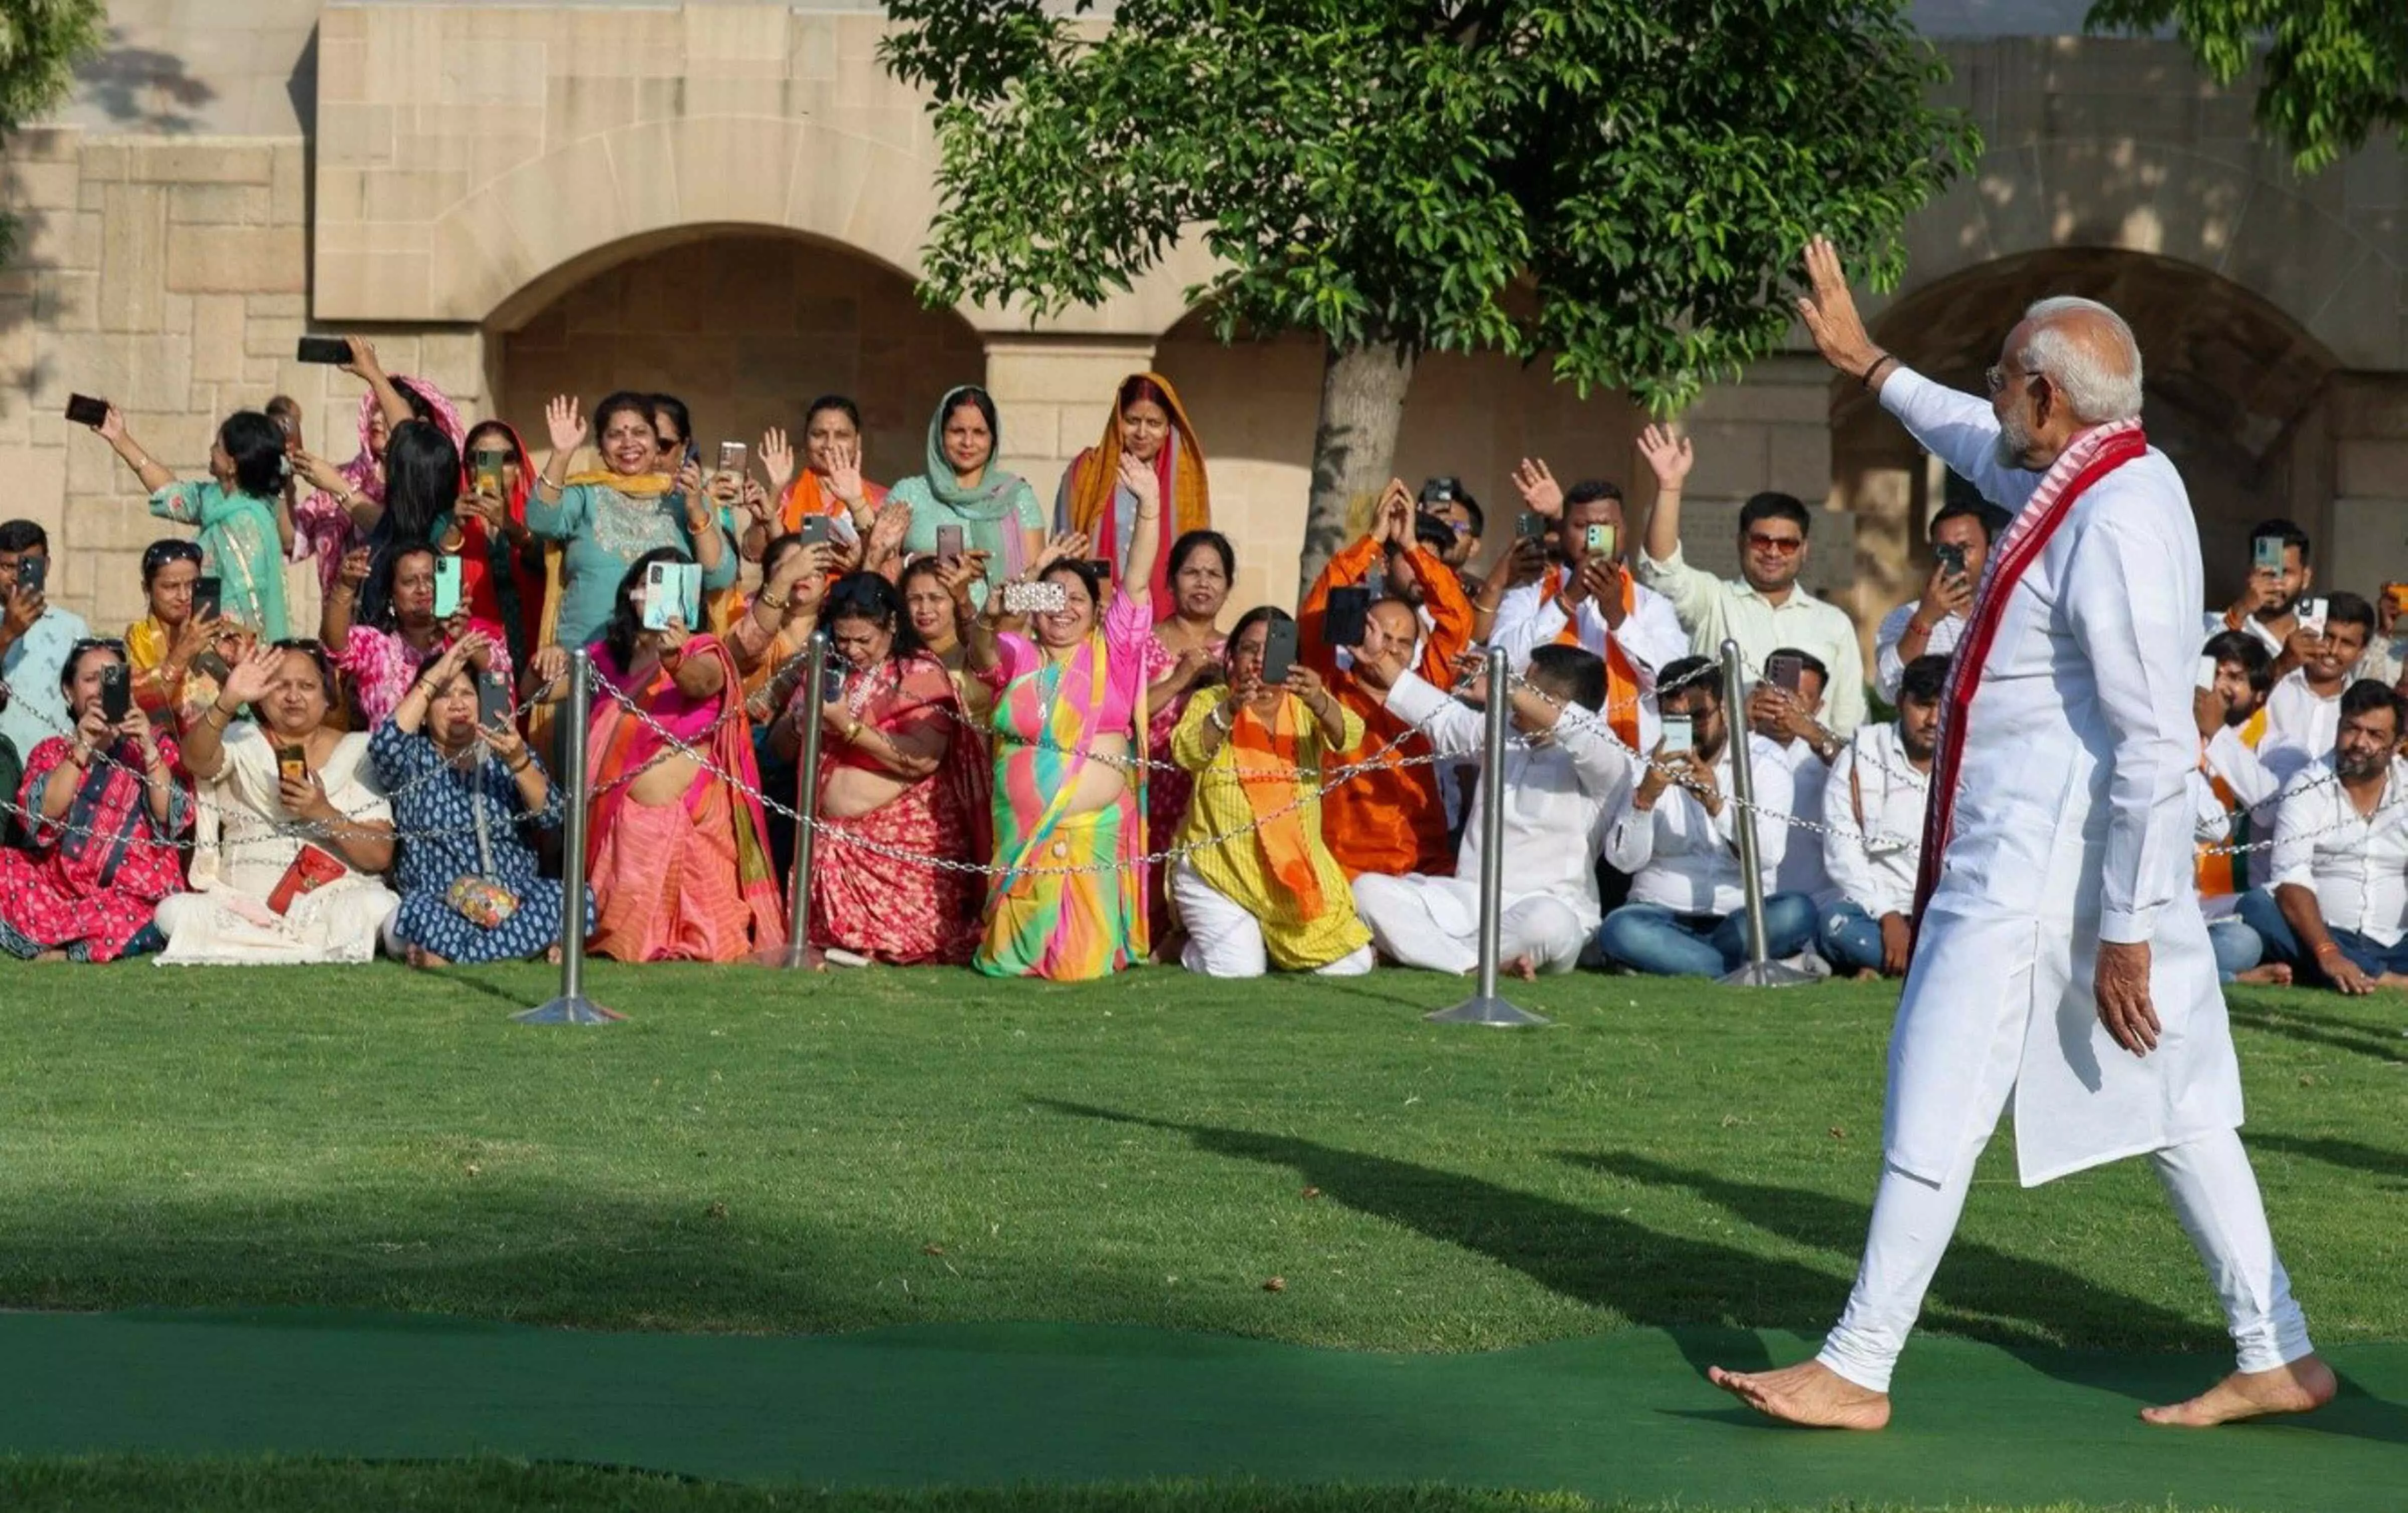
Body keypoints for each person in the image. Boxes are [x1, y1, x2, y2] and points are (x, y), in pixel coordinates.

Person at [1710, 238, 2329, 1432]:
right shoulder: (2084, 472)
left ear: (2045, 394)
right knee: (2176, 1106)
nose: (1990, 397)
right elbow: (1964, 433)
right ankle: (2277, 1349)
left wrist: (2132, 931)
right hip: (2052, 870)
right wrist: (1867, 361)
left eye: (2001, 377)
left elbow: (2156, 740)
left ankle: (1856, 1362)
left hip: (2044, 881)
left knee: (1936, 1086)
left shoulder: (2119, 516)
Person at [967, 459, 1163, 981]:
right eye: (1051, 597)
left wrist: (1149, 508)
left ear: (1098, 611)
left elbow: (1138, 581)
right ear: (1033, 605)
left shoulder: (1112, 654)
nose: (1064, 609)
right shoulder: (1020, 655)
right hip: (1023, 837)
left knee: (1080, 966)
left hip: (1093, 835)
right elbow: (982, 654)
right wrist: (992, 612)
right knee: (1008, 962)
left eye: (1078, 598)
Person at [1351, 643, 1633, 978]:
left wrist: (1503, 683)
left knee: (1549, 925)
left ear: (1554, 702)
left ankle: (1424, 951)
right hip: (1471, 900)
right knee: (1368, 890)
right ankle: (1469, 964)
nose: (1513, 695)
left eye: (1525, 685)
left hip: (1548, 907)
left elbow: (1582, 733)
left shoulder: (1604, 759)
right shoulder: (1504, 733)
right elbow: (1446, 720)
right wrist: (1382, 661)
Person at [578, 549, 786, 964]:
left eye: (673, 586)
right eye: (651, 584)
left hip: (695, 820)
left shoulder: (706, 650)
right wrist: (546, 663)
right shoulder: (605, 656)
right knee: (620, 943)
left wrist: (674, 659)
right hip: (621, 823)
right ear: (632, 594)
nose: (659, 596)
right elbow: (544, 686)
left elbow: (702, 682)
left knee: (712, 943)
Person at [771, 573, 984, 966]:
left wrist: (848, 727)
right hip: (828, 839)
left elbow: (924, 758)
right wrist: (801, 723)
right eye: (843, 638)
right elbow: (780, 748)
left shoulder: (919, 673)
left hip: (899, 851)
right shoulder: (825, 665)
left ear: (890, 625)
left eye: (863, 640)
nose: (851, 650)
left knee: (905, 947)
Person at [155, 640, 399, 965]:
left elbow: (380, 854)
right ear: (262, 692)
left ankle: (266, 946)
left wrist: (321, 812)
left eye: (307, 686)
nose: (293, 696)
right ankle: (304, 945)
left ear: (328, 697)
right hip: (246, 909)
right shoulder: (240, 738)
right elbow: (196, 760)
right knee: (172, 912)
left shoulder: (358, 751)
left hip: (327, 904)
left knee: (376, 904)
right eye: (280, 685)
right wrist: (228, 700)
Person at [1167, 607, 1373, 978]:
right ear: (1232, 657)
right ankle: (1186, 946)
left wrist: (1319, 699)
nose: (1259, 659)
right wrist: (1230, 709)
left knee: (1354, 965)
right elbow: (1187, 751)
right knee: (1238, 969)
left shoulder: (1304, 706)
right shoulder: (1212, 700)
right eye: (1249, 648)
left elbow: (1351, 737)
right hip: (1220, 869)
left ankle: (1264, 937)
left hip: (1289, 875)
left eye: (1271, 650)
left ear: (1292, 660)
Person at [372, 636, 587, 967]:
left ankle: (456, 955)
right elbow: (384, 745)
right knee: (413, 914)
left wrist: (518, 762)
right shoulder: (412, 758)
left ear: (481, 702)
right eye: (443, 695)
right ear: (426, 713)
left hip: (511, 900)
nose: (457, 703)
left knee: (575, 898)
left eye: (466, 694)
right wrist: (437, 673)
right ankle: (527, 945)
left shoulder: (508, 751)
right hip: (440, 902)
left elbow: (553, 818)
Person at [1634, 433, 1868, 735]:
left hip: (1811, 777)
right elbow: (1662, 570)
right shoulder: (1714, 601)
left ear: (1804, 550)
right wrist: (1669, 487)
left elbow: (1851, 723)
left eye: (1787, 544)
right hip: (1727, 769)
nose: (1772, 552)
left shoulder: (1834, 623)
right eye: (1761, 541)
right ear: (1741, 542)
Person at [1595, 656, 1813, 976]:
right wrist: (1645, 799)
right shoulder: (1646, 767)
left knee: (1798, 912)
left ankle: (1680, 963)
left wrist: (1718, 807)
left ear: (1725, 708)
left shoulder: (1765, 760)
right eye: (1675, 720)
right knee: (1618, 928)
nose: (1690, 730)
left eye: (1698, 716)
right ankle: (1736, 968)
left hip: (1740, 915)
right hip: (1659, 912)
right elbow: (1624, 862)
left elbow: (1768, 855)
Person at [1300, 484, 1474, 880]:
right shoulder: (1329, 688)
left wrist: (1411, 545)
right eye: (1382, 636)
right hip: (1347, 867)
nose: (1390, 650)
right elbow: (1316, 611)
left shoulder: (1425, 690)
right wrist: (1374, 541)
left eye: (1403, 643)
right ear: (1361, 634)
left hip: (1424, 864)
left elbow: (1457, 620)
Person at [0, 638, 189, 961]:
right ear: (69, 693)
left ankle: (68, 952)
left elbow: (169, 816)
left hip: (130, 895)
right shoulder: (52, 751)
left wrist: (147, 747)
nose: (101, 690)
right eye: (90, 680)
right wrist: (84, 746)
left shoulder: (155, 745)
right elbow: (42, 816)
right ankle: (76, 941)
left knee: (151, 915)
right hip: (60, 890)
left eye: (111, 679)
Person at [1493, 468, 1689, 753]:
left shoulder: (1653, 606)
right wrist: (1567, 601)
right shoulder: (1527, 600)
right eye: (1582, 526)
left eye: (1606, 526)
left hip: (1628, 771)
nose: (1594, 539)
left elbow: (1677, 684)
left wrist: (1618, 619)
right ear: (1561, 532)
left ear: (1624, 531)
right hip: (1542, 770)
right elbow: (1502, 668)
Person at [525, 392, 737, 653]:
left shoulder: (688, 499)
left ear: (656, 443)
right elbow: (541, 521)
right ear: (601, 448)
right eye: (615, 435)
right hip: (584, 659)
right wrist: (561, 455)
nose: (629, 443)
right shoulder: (585, 494)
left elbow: (719, 577)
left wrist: (695, 510)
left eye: (640, 432)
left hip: (663, 664)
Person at [2238, 680, 2408, 992]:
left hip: (2398, 942)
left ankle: (2337, 971)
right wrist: (2327, 952)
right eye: (2352, 729)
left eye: (2375, 735)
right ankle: (2380, 978)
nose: (2359, 742)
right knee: (2258, 905)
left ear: (2397, 745)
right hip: (2324, 936)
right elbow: (2291, 876)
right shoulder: (2308, 785)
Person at [95, 406, 291, 642]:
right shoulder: (218, 501)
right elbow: (172, 494)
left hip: (231, 653)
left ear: (233, 464)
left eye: (218, 446)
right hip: (202, 640)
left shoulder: (245, 523)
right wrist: (120, 438)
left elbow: (247, 604)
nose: (211, 450)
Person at [291, 340, 464, 598]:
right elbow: (338, 636)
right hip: (374, 632)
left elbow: (448, 609)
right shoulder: (397, 520)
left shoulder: (444, 527)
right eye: (374, 411)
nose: (378, 420)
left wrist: (374, 374)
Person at [1818, 654, 1943, 980]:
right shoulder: (1862, 754)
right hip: (1872, 914)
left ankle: (1888, 963)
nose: (1933, 719)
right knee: (1834, 925)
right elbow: (1842, 853)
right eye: (1924, 705)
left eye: (1943, 707)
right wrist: (1887, 915)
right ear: (1901, 701)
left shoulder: (1971, 759)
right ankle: (1925, 964)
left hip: (1946, 913)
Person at [1138, 529, 1234, 944]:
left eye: (1214, 574)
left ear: (1229, 586)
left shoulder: (1237, 650)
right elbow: (1124, 717)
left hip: (1208, 801)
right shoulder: (1142, 643)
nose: (1203, 582)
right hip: (1147, 793)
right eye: (1191, 572)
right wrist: (1181, 679)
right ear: (1171, 580)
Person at [1057, 373, 1211, 609]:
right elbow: (1063, 551)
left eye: (1154, 424)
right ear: (1118, 420)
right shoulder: (1087, 473)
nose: (1142, 433)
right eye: (1132, 420)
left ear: (1168, 427)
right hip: (1095, 613)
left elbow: (1200, 558)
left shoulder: (1185, 483)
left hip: (1164, 618)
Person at [322, 543, 513, 730]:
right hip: (391, 760)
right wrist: (345, 587)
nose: (423, 589)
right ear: (392, 596)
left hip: (463, 760)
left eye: (430, 579)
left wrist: (462, 639)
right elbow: (336, 646)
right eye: (409, 582)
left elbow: (499, 703)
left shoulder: (474, 641)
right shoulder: (377, 649)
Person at [2192, 631, 2287, 987]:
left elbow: (2269, 810)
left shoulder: (2279, 747)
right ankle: (2232, 978)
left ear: (2260, 694)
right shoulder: (2177, 731)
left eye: (2234, 677)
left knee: (2243, 944)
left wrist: (2216, 732)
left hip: (2235, 911)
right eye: (2213, 673)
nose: (2218, 686)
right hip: (2178, 898)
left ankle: (2222, 972)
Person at [893, 386, 1046, 606]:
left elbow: (1036, 584)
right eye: (957, 431)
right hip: (921, 627)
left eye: (979, 433)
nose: (968, 443)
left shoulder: (1016, 495)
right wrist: (926, 560)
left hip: (997, 630)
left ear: (993, 439)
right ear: (940, 434)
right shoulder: (909, 493)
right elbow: (878, 568)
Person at [0, 521, 94, 819]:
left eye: (27, 566)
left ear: (47, 566)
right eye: (6, 566)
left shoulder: (72, 628)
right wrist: (8, 633)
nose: (15, 577)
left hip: (54, 776)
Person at [1748, 649, 1842, 919]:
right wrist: (1739, 717)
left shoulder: (1827, 754)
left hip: (1813, 902)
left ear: (1818, 707)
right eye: (1781, 692)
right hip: (1739, 900)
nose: (1787, 702)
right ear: (1760, 691)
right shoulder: (1733, 742)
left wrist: (1813, 734)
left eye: (1800, 697)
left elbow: (1860, 777)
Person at [1873, 502, 1994, 702]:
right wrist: (1925, 621)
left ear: (1990, 553)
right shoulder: (1904, 618)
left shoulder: (2014, 613)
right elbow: (1889, 692)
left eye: (1965, 548)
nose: (1956, 559)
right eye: (1945, 550)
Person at [124, 538, 244, 729]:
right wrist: (182, 653)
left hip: (219, 749)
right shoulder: (136, 641)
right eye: (170, 587)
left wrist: (242, 667)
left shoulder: (227, 635)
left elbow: (270, 711)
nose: (183, 596)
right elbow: (140, 709)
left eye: (192, 585)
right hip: (156, 750)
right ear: (146, 589)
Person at [457, 418, 547, 668]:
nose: (493, 468)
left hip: (534, 655)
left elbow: (551, 566)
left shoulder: (539, 516)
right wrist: (455, 528)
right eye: (480, 458)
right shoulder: (452, 519)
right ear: (468, 468)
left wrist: (508, 525)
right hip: (474, 655)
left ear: (518, 466)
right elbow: (437, 584)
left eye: (505, 458)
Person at [2256, 591, 2372, 784]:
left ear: (2361, 652)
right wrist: (2282, 665)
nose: (2333, 650)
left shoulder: (2362, 709)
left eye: (2347, 643)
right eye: (2328, 637)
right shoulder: (2278, 682)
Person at [749, 396, 889, 555]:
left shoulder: (881, 500)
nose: (829, 445)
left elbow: (888, 560)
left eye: (841, 435)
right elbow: (754, 553)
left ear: (857, 442)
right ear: (806, 440)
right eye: (819, 434)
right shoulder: (786, 497)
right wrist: (774, 492)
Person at [2203, 518, 2311, 661]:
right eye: (2266, 572)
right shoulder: (2213, 624)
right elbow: (2199, 669)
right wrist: (2239, 612)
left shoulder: (2320, 630)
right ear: (2249, 573)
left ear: (2305, 578)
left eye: (2285, 572)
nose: (2275, 582)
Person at [1416, 476, 1484, 593]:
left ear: (1474, 546)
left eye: (1455, 526)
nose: (1445, 532)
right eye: (1437, 523)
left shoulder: (1480, 596)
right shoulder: (1397, 584)